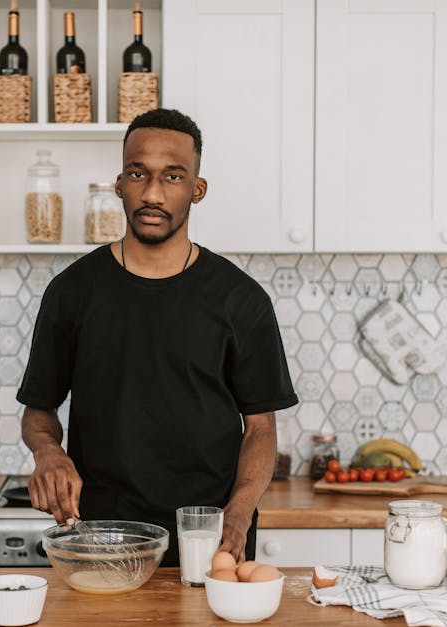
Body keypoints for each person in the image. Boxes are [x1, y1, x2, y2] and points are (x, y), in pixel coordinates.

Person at [17, 108, 297, 566]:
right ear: (119, 183)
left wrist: (241, 509)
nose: (151, 193)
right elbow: (39, 412)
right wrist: (47, 451)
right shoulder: (72, 292)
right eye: (137, 173)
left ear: (197, 189)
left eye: (172, 176)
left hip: (206, 537)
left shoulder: (240, 300)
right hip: (102, 536)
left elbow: (261, 428)